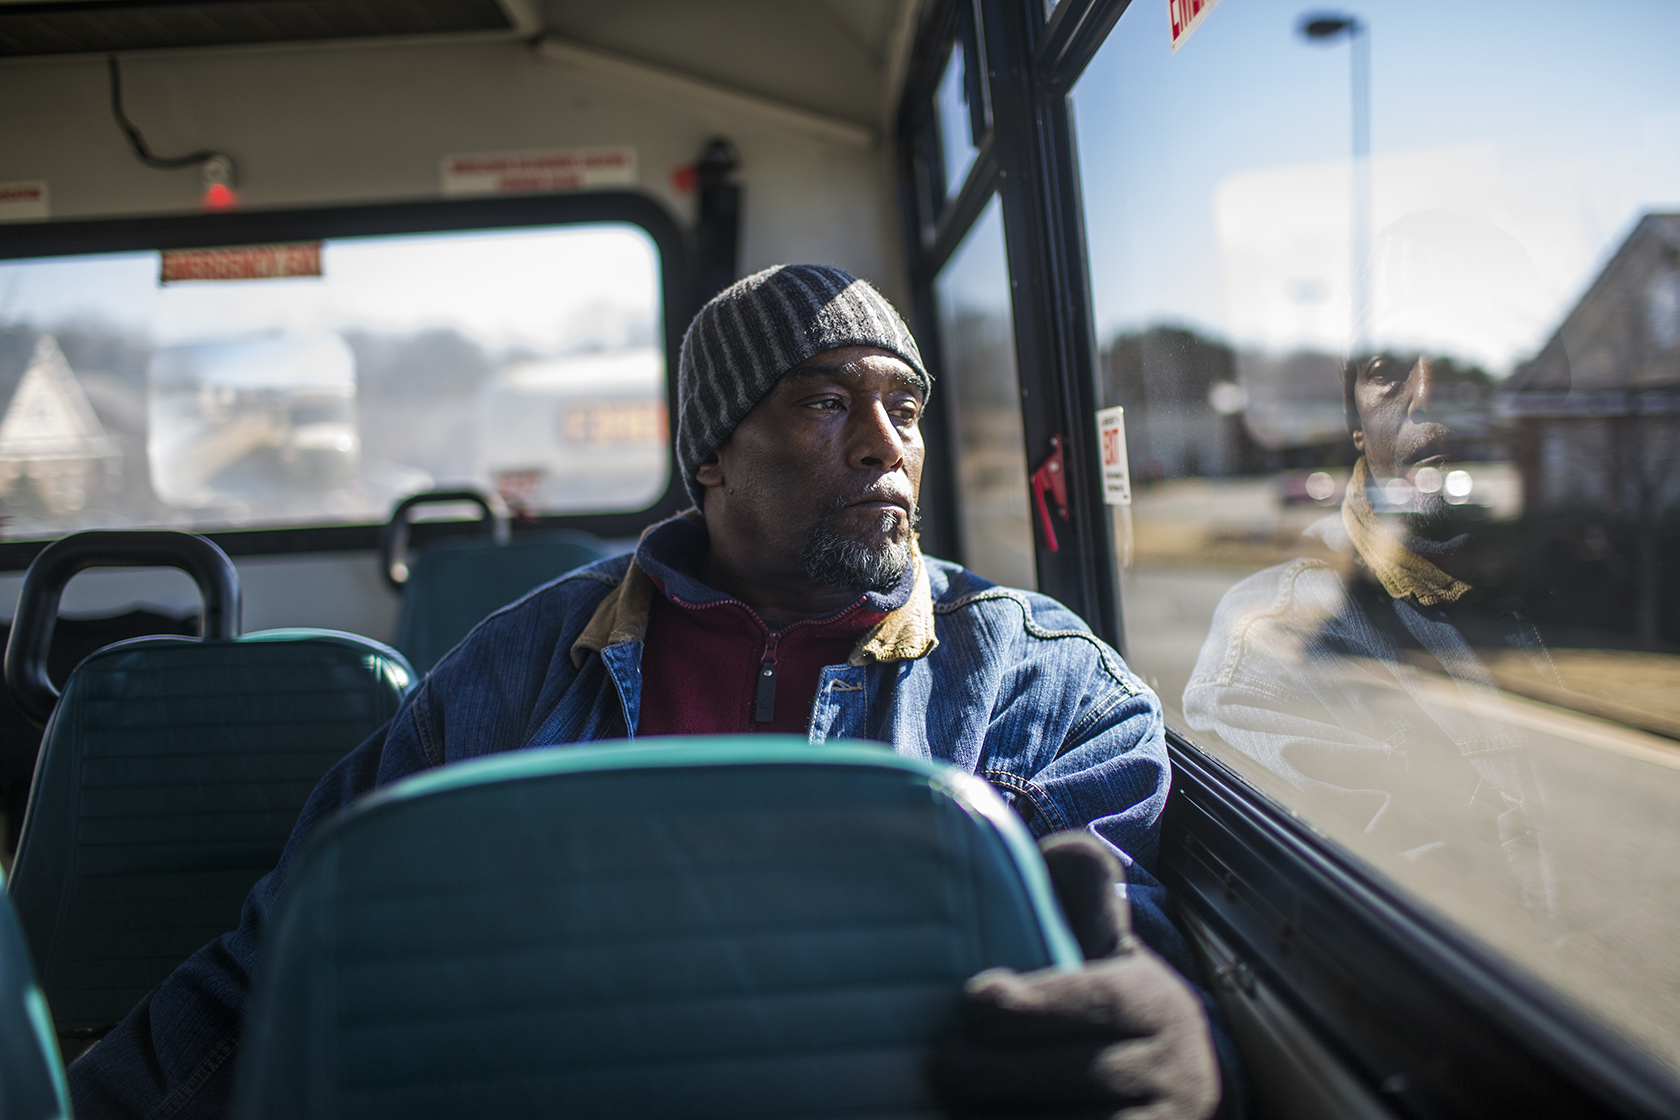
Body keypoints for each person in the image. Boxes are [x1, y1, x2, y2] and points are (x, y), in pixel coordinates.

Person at [69, 265, 1228, 1119]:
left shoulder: (1048, 683)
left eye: (907, 409)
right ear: (713, 453)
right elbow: (289, 953)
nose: (886, 444)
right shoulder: (515, 670)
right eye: (826, 402)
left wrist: (1176, 1034)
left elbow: (1133, 939)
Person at [1182, 342, 1558, 916]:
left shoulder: (1508, 609)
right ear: (1357, 432)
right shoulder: (1268, 619)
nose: (1423, 403)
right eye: (1388, 381)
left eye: (1443, 382)